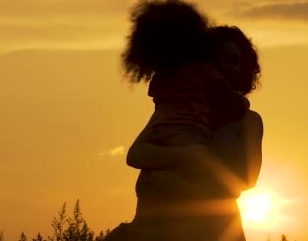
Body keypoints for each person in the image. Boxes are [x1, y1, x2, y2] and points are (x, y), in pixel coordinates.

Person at [106, 22, 263, 240]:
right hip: (152, 228)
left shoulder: (248, 121)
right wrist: (184, 156)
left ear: (243, 68)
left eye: (233, 60)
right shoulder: (178, 114)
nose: (224, 66)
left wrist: (179, 182)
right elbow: (135, 154)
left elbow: (245, 179)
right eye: (216, 60)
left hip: (212, 231)